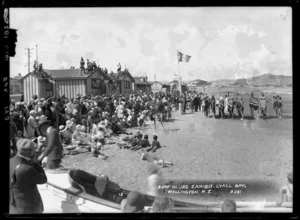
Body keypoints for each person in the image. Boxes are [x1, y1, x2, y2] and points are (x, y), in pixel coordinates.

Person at [10, 139, 47, 214]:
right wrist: (36, 163)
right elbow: (43, 179)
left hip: (14, 203)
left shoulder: (11, 161)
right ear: (30, 152)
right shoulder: (27, 169)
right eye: (34, 150)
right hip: (29, 207)